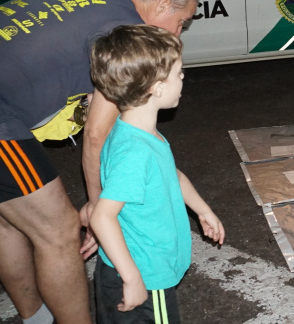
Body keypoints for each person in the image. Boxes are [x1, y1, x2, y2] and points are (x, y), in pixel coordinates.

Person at [0, 0, 198, 324]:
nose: (178, 32)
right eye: (181, 21)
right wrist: (98, 209)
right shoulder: (122, 34)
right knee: (61, 231)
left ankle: (35, 318)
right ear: (162, 4)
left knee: (5, 221)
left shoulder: (91, 1)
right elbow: (96, 134)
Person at [89, 24, 224, 323]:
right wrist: (133, 278)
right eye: (180, 74)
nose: (183, 79)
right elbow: (102, 216)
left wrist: (202, 210)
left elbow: (170, 175)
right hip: (145, 275)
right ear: (157, 87)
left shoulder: (139, 133)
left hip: (138, 265)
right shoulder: (135, 151)